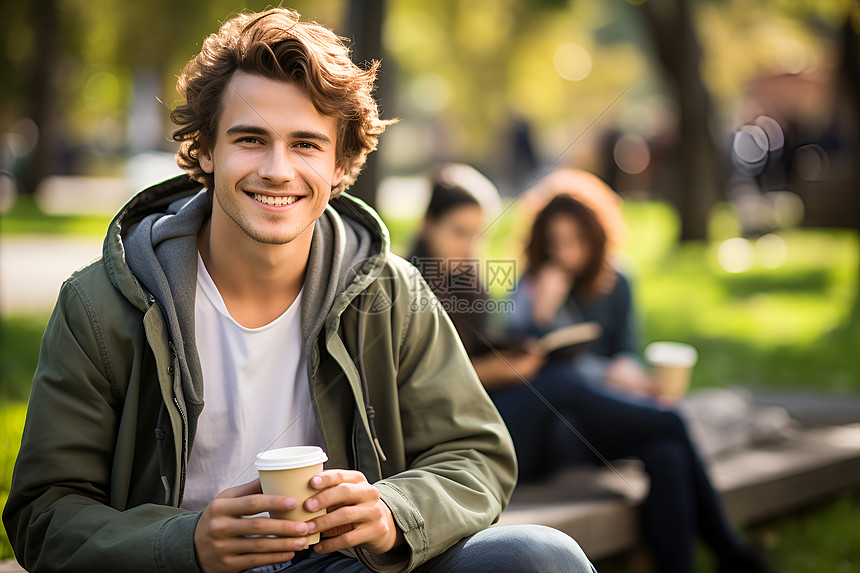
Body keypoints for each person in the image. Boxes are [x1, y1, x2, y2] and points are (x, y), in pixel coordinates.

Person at [2, 10, 596, 573]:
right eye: (251, 139)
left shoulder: (393, 292)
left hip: (347, 565)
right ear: (205, 151)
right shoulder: (101, 303)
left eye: (306, 144)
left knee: (543, 556)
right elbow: (45, 513)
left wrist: (394, 512)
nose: (278, 170)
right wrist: (187, 543)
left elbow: (475, 457)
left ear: (341, 165)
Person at [410, 168, 774, 573]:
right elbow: (435, 384)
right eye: (460, 232)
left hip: (532, 423)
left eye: (480, 234)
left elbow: (482, 348)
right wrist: (509, 364)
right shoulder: (409, 284)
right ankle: (731, 549)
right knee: (567, 383)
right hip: (467, 437)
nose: (471, 246)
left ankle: (723, 557)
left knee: (666, 452)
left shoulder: (467, 278)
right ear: (429, 226)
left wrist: (514, 354)